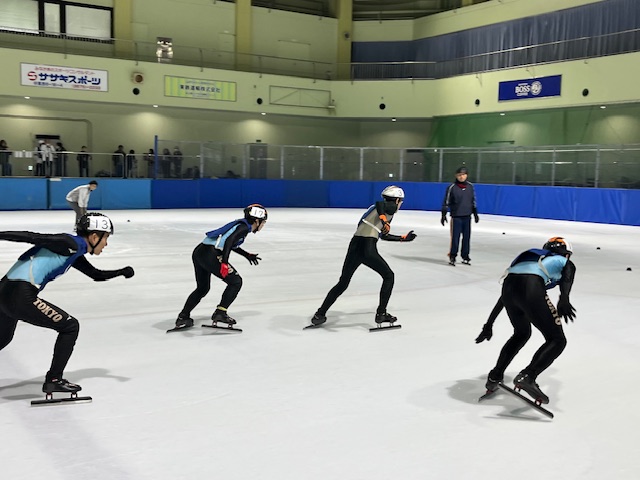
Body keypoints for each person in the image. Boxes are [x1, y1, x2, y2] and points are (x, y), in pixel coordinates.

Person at [0, 213, 135, 396]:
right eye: (105, 238)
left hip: (4, 291)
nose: (106, 244)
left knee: (3, 339)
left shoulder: (74, 251)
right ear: (94, 237)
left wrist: (121, 272)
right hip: (19, 294)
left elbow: (95, 275)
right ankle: (54, 380)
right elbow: (32, 237)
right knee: (70, 326)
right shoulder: (69, 243)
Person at [475, 237, 577, 404]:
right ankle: (528, 376)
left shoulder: (532, 259)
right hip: (530, 287)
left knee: (521, 333)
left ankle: (495, 376)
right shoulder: (560, 260)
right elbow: (569, 269)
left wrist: (489, 324)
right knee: (557, 340)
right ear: (566, 254)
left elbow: (505, 296)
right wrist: (564, 297)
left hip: (508, 289)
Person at [310, 186, 417, 327]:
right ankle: (381, 313)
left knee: (343, 283)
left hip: (354, 246)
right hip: (367, 248)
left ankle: (320, 314)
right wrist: (384, 219)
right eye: (400, 201)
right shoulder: (388, 207)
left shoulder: (376, 210)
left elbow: (383, 235)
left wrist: (402, 238)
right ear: (397, 200)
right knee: (389, 276)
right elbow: (381, 204)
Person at [174, 204, 268, 329]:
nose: (263, 225)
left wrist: (247, 255)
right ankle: (220, 312)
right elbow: (229, 241)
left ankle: (183, 317)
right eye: (263, 222)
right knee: (236, 282)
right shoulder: (244, 227)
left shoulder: (241, 225)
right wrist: (224, 262)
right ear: (257, 220)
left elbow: (230, 242)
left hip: (200, 251)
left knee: (202, 288)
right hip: (211, 254)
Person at [441, 166, 479, 266]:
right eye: (459, 175)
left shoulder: (470, 186)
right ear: (456, 176)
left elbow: (473, 200)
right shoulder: (452, 187)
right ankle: (452, 256)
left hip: (467, 216)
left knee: (466, 238)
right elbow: (446, 201)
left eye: (463, 175)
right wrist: (443, 214)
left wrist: (475, 213)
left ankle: (465, 256)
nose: (461, 177)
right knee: (455, 238)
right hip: (456, 216)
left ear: (466, 175)